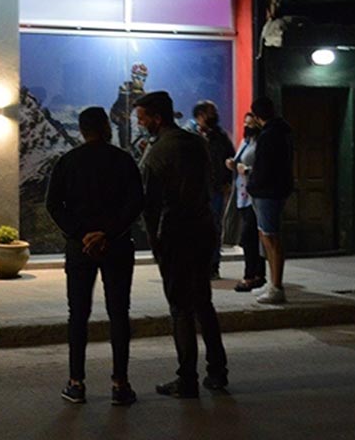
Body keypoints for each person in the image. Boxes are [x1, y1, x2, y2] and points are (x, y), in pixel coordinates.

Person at [45, 106, 144, 407]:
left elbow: (53, 205)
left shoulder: (68, 162)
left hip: (80, 249)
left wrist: (81, 234)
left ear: (81, 130)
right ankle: (120, 384)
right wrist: (108, 233)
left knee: (78, 315)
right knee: (119, 314)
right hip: (117, 246)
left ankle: (76, 383)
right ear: (106, 127)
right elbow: (136, 203)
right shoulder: (123, 160)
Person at [134, 90, 228, 398]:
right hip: (203, 229)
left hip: (176, 233)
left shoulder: (157, 153)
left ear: (157, 117)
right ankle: (218, 371)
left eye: (143, 118)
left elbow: (149, 204)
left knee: (180, 307)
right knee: (203, 301)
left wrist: (154, 241)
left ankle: (187, 378)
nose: (140, 123)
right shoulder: (197, 143)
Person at [247, 96, 295, 305]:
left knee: (271, 238)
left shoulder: (269, 135)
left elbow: (264, 167)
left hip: (267, 192)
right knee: (267, 236)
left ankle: (276, 287)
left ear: (257, 116)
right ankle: (273, 283)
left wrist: (252, 185)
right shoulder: (282, 132)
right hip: (274, 189)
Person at [192, 100, 235, 279]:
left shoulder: (221, 136)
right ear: (200, 115)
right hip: (194, 190)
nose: (214, 115)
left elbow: (230, 158)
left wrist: (227, 181)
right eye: (210, 112)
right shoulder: (190, 135)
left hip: (215, 189)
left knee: (214, 227)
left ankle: (213, 266)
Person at [227, 112, 266, 292]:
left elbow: (263, 168)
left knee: (248, 236)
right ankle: (258, 274)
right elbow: (239, 162)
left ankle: (251, 275)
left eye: (250, 123)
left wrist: (247, 170)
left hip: (255, 196)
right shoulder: (245, 142)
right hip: (242, 195)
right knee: (250, 237)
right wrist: (233, 165)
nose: (247, 126)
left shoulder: (261, 143)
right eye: (245, 123)